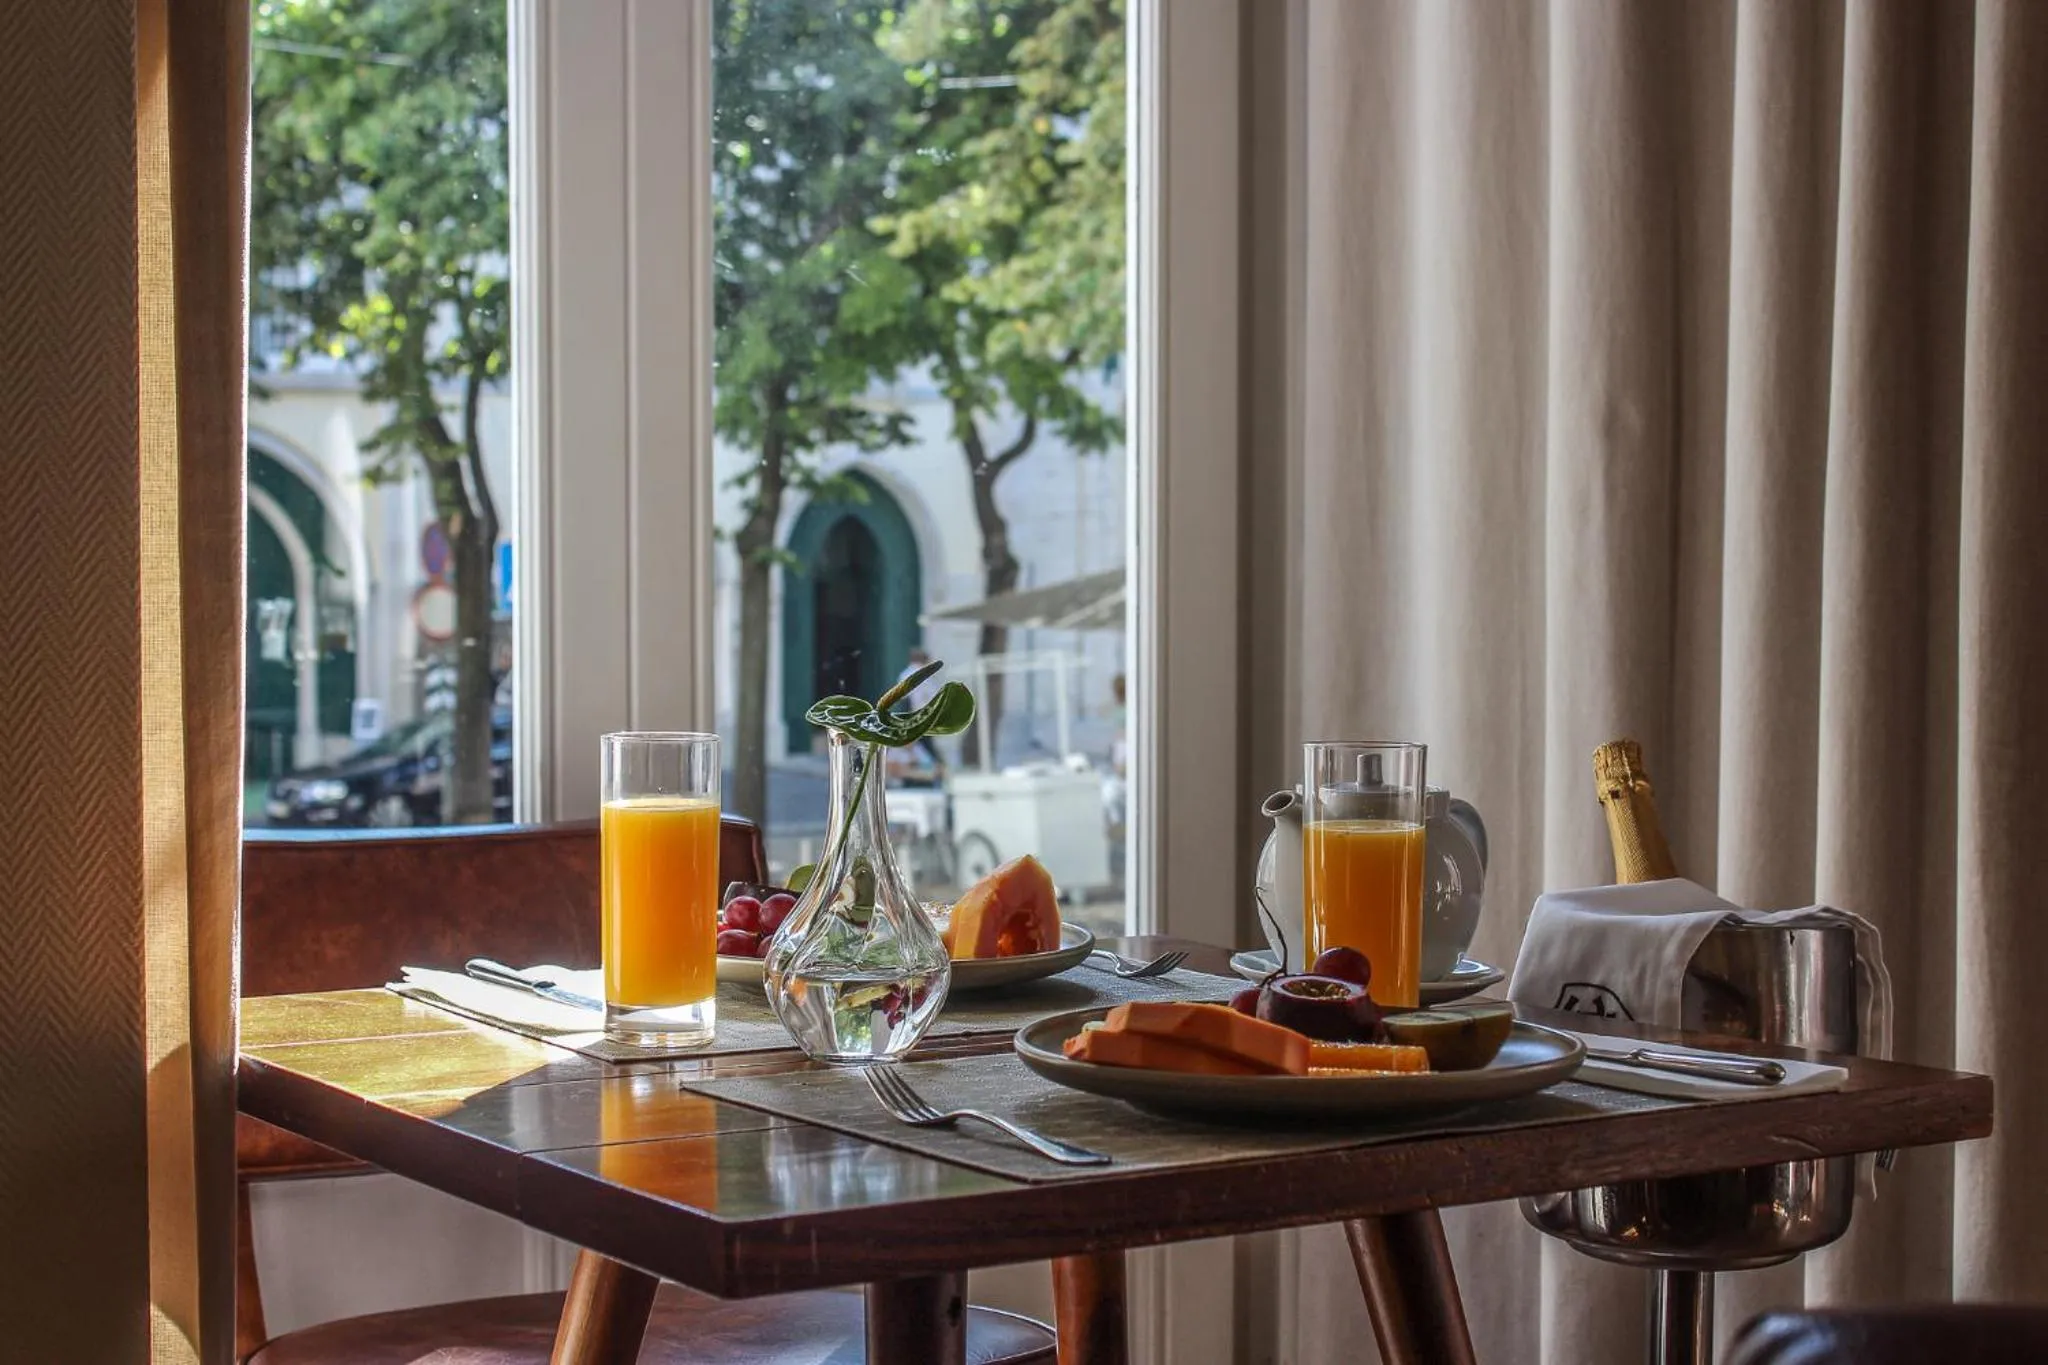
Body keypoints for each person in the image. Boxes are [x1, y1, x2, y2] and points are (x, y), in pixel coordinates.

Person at [895, 649, 945, 774]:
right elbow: (932, 696)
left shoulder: (904, 674)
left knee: (911, 747)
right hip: (921, 715)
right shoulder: (925, 675)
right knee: (927, 747)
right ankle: (938, 773)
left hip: (907, 715)